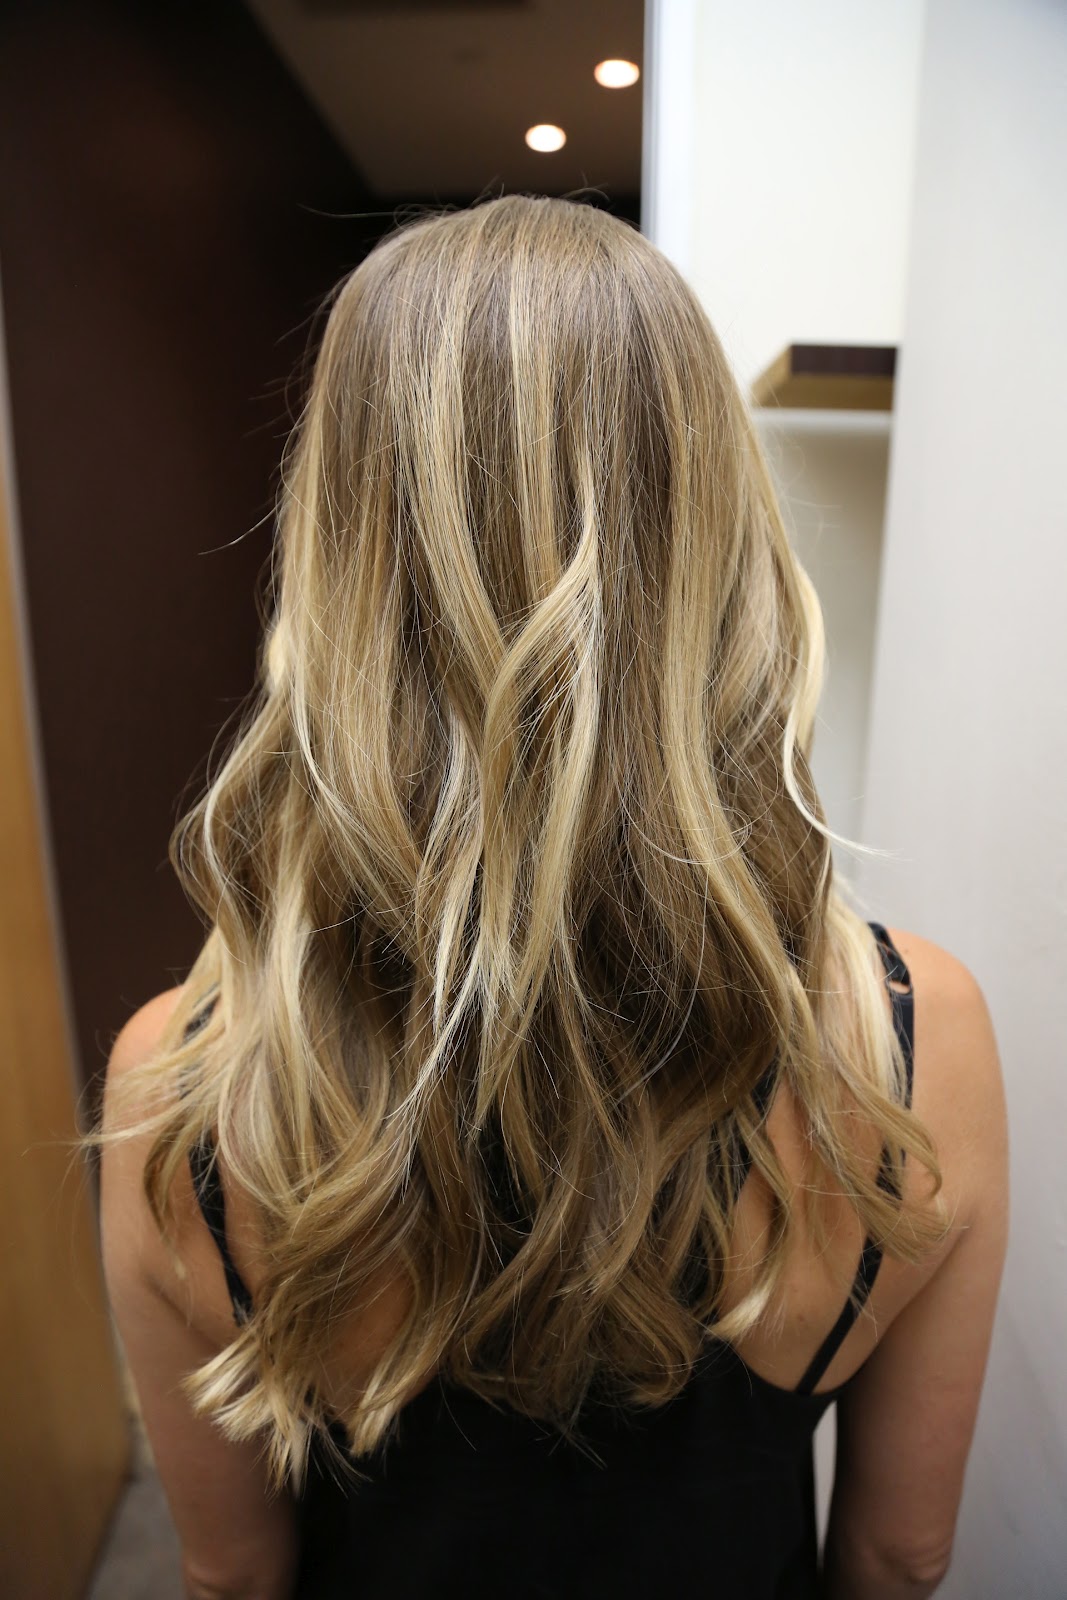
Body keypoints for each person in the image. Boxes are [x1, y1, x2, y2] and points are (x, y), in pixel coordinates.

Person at [93, 193, 1008, 1600]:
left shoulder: (187, 1087)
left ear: (341, 551)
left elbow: (231, 1576)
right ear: (712, 529)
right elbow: (900, 1553)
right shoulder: (913, 1040)